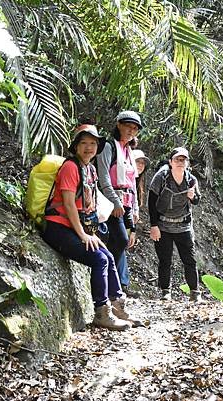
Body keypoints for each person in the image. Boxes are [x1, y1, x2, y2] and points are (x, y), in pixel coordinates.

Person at [41, 124, 143, 330]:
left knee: (108, 256)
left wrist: (91, 233)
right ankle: (101, 313)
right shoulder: (71, 167)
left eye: (93, 144)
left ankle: (117, 308)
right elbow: (69, 204)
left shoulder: (90, 169)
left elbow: (88, 206)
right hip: (58, 227)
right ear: (76, 146)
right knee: (99, 259)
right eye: (84, 143)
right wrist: (83, 235)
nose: (89, 148)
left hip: (76, 227)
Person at [96, 111, 141, 295]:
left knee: (120, 241)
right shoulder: (109, 147)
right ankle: (108, 281)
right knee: (120, 240)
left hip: (126, 203)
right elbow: (104, 177)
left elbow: (132, 183)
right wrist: (115, 202)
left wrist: (135, 207)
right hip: (111, 203)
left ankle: (110, 284)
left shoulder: (128, 151)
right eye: (128, 126)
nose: (131, 131)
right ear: (119, 125)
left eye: (135, 128)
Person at [148, 147, 202, 302]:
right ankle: (165, 291)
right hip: (163, 225)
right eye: (177, 159)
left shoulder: (191, 180)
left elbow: (197, 200)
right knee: (165, 260)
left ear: (188, 163)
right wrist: (154, 225)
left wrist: (192, 197)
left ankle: (195, 292)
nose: (180, 162)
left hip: (183, 225)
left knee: (189, 260)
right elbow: (152, 202)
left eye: (184, 159)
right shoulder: (161, 177)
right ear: (171, 162)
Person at [115, 148, 150, 297]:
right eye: (138, 162)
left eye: (143, 163)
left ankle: (121, 282)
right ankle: (121, 283)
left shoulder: (136, 182)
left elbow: (133, 203)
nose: (141, 165)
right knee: (120, 245)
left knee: (122, 246)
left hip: (127, 218)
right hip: (119, 215)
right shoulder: (123, 179)